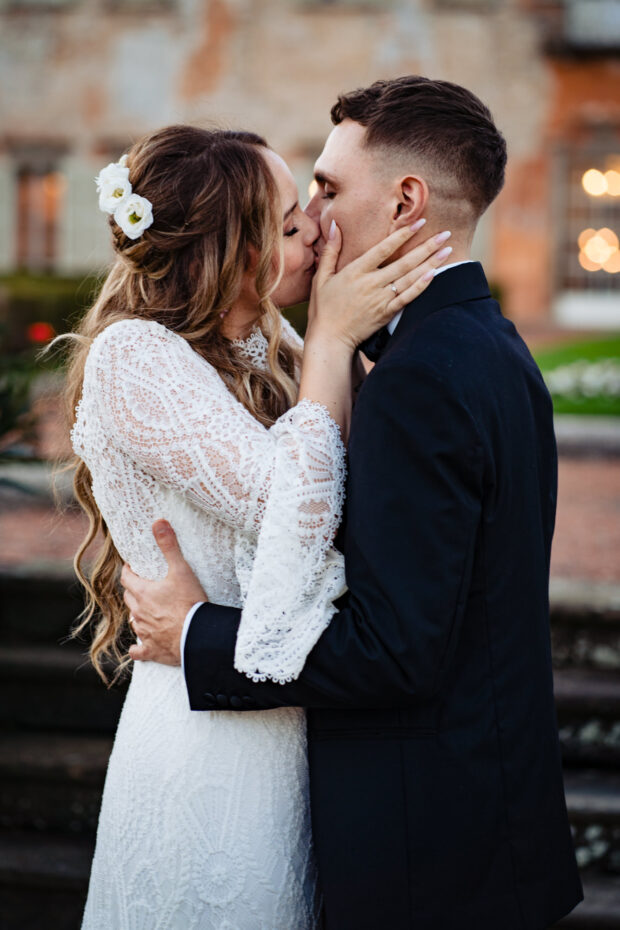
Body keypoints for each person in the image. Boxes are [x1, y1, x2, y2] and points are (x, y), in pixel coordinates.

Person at [123, 78, 584, 930]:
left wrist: (194, 635)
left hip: (426, 858)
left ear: (406, 199)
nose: (314, 220)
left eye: (327, 190)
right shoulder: (486, 344)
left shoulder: (422, 381)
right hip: (481, 831)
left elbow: (395, 650)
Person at [67, 123, 448, 928]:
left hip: (296, 725)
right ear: (227, 254)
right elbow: (290, 504)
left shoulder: (269, 346)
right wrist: (336, 342)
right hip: (205, 741)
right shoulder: (134, 357)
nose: (316, 225)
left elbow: (360, 493)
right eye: (287, 224)